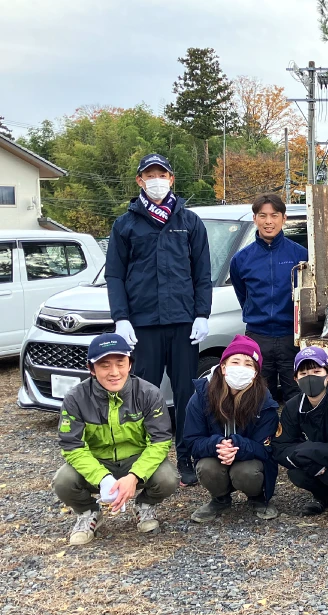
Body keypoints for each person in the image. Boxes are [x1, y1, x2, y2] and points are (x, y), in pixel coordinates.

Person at [107, 153, 212, 488]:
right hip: (144, 326)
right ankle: (143, 462)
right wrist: (121, 318)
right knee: (144, 396)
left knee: (185, 395)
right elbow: (115, 276)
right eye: (149, 175)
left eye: (161, 174)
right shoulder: (125, 224)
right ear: (139, 180)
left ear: (171, 179)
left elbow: (202, 273)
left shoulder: (190, 221)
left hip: (183, 325)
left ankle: (185, 459)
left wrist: (202, 313)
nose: (156, 180)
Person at [53, 334, 179, 545]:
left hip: (136, 460)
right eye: (104, 365)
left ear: (130, 364)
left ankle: (145, 506)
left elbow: (160, 440)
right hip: (97, 462)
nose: (114, 372)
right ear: (91, 369)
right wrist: (102, 477)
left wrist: (135, 475)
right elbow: (71, 445)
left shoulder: (149, 393)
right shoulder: (76, 398)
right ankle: (88, 512)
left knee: (168, 478)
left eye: (120, 363)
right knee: (63, 481)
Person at [184, 335, 280, 522]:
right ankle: (220, 499)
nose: (241, 368)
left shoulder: (264, 401)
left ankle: (257, 497)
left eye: (248, 364)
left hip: (248, 461)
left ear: (255, 373)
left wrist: (236, 445)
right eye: (235, 361)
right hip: (216, 456)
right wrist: (217, 445)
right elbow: (191, 440)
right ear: (223, 367)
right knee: (206, 467)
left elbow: (266, 449)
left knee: (246, 472)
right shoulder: (201, 395)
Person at [230, 193, 308, 403]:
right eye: (262, 216)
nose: (268, 221)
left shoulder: (300, 255)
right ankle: (262, 436)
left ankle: (295, 436)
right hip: (258, 337)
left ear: (284, 218)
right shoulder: (241, 259)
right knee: (258, 396)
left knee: (297, 395)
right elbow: (242, 295)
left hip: (291, 337)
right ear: (255, 219)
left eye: (274, 215)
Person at [273, 346, 328, 520]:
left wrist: (310, 451)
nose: (310, 377)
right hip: (314, 460)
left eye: (316, 371)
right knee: (296, 473)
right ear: (295, 379)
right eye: (303, 374)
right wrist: (311, 463)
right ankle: (323, 497)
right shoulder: (293, 406)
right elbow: (280, 446)